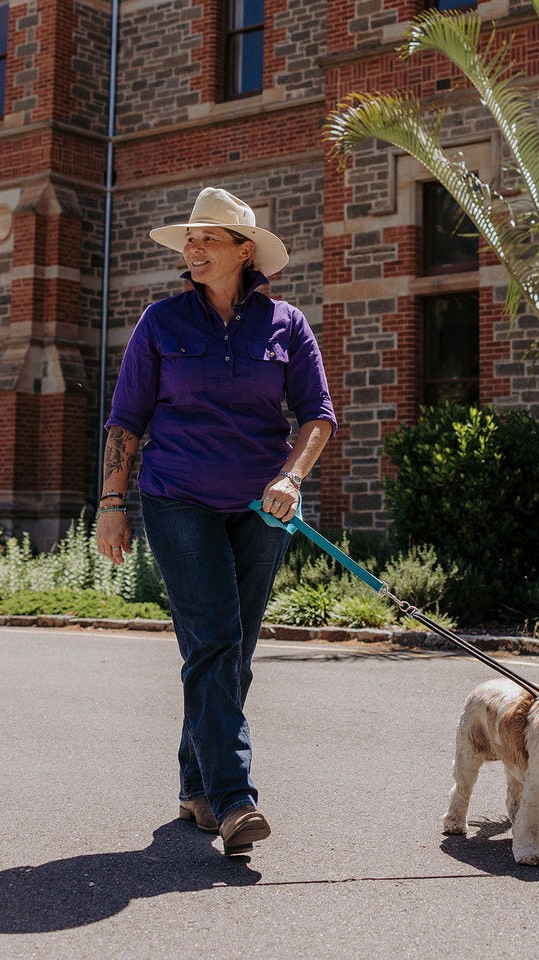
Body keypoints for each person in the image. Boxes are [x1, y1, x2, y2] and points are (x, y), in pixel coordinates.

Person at [95, 187, 336, 856]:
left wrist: (291, 476)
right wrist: (113, 503)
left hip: (263, 509)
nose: (193, 248)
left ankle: (196, 784)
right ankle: (235, 800)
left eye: (208, 237)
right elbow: (126, 420)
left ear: (244, 251)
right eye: (189, 239)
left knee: (233, 650)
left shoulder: (285, 324)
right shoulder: (161, 323)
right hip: (179, 499)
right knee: (213, 641)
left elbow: (318, 414)